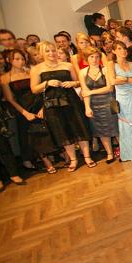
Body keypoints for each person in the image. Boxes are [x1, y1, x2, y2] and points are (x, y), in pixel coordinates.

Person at [30, 41, 93, 172]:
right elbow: (34, 89)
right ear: (41, 53)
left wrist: (72, 83)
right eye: (47, 51)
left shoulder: (68, 65)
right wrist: (46, 83)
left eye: (53, 50)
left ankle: (87, 157)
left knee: (79, 127)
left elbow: (78, 82)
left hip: (71, 101)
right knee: (63, 131)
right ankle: (73, 159)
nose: (51, 53)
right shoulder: (36, 69)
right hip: (53, 105)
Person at [1, 49, 56, 172]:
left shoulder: (31, 72)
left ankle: (57, 154)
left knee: (48, 129)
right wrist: (25, 113)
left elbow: (40, 90)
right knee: (32, 134)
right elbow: (11, 99)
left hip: (38, 103)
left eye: (22, 58)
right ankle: (45, 160)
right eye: (17, 59)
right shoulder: (5, 78)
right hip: (23, 108)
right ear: (9, 60)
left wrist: (43, 106)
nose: (21, 61)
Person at [108, 41, 132, 162]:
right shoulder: (111, 65)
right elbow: (113, 82)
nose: (123, 51)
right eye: (119, 49)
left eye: (124, 48)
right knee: (128, 123)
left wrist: (123, 79)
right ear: (114, 51)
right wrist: (130, 79)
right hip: (122, 98)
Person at [79, 48, 118, 163]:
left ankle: (124, 150)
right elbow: (84, 91)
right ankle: (109, 153)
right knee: (100, 130)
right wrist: (87, 107)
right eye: (91, 57)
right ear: (86, 58)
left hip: (109, 101)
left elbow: (109, 88)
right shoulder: (82, 72)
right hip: (94, 104)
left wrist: (90, 92)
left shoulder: (106, 69)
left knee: (116, 128)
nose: (95, 59)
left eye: (97, 57)